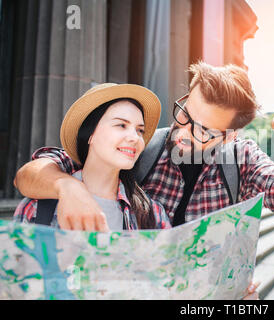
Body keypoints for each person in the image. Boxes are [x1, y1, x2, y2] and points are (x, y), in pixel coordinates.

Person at [14, 62, 274, 231]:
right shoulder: (139, 143)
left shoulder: (240, 158)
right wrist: (69, 188)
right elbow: (33, 173)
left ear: (230, 136)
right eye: (185, 114)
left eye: (204, 131)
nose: (185, 133)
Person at [13, 83, 171, 231]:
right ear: (90, 135)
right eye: (121, 125)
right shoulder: (37, 207)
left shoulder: (153, 216)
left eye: (139, 130)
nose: (135, 138)